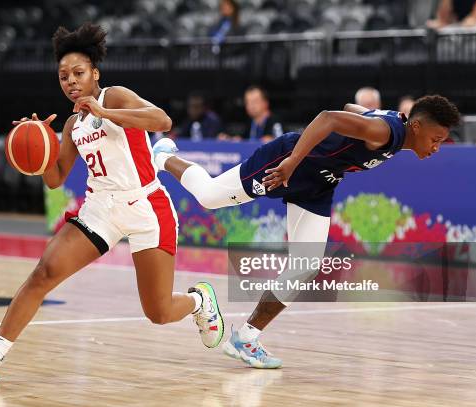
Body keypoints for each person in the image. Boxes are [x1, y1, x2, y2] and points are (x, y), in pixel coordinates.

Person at [0, 23, 224, 382]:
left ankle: (200, 301)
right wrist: (41, 144)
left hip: (146, 208)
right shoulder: (72, 123)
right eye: (63, 76)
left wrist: (104, 113)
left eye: (78, 73)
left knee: (157, 312)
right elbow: (55, 178)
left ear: (95, 73)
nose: (70, 81)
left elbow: (163, 120)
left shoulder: (114, 97)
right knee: (42, 275)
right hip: (100, 210)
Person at [152, 95, 460, 368]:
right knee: (209, 196)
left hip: (319, 183)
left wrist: (362, 117)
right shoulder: (386, 131)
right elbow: (328, 117)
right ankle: (164, 157)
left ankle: (245, 338)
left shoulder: (393, 125)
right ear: (417, 126)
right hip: (289, 162)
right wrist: (291, 161)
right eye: (436, 139)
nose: (436, 148)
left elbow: (353, 109)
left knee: (305, 267)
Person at [219, 86, 284, 143]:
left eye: (255, 101)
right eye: (248, 102)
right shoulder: (249, 122)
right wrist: (231, 140)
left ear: (265, 103)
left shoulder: (275, 122)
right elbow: (244, 141)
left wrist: (270, 141)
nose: (251, 106)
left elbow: (282, 144)